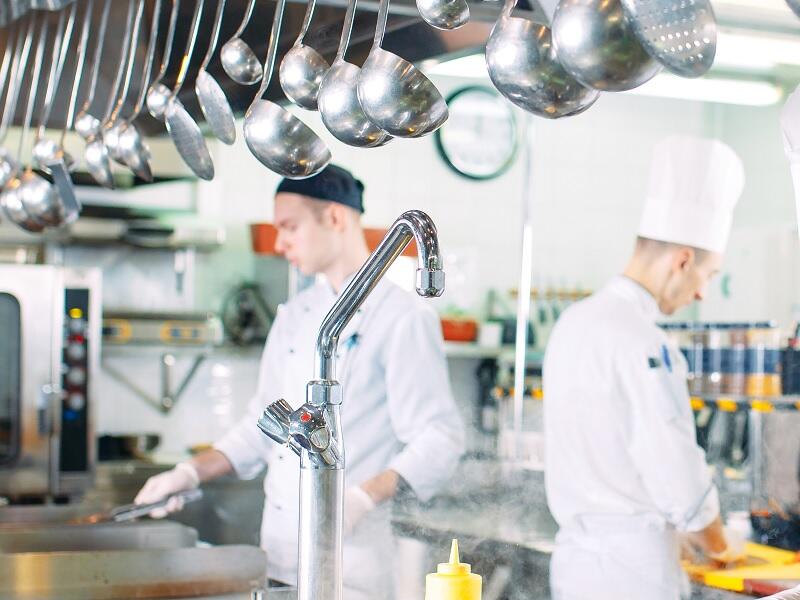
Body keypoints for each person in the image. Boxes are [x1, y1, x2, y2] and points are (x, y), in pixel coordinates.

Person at [135, 165, 465, 600]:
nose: (279, 243)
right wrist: (189, 473)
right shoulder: (295, 315)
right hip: (277, 558)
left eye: (290, 227)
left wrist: (361, 499)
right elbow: (262, 426)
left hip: (351, 567)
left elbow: (440, 438)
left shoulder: (402, 316)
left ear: (335, 218)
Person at [543, 135, 746, 600]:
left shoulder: (575, 321)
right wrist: (721, 545)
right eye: (708, 277)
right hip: (631, 577)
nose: (702, 295)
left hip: (575, 570)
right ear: (683, 260)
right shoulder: (644, 340)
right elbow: (675, 469)